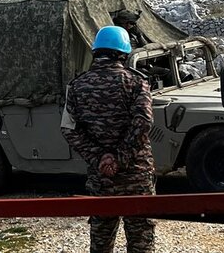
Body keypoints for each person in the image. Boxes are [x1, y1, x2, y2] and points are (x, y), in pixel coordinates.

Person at [61, 26, 156, 253]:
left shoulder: (76, 86)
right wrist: (120, 158)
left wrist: (101, 158)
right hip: (136, 177)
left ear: (96, 51)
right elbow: (144, 122)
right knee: (141, 240)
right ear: (123, 54)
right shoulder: (136, 82)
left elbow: (68, 129)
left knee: (101, 242)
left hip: (102, 179)